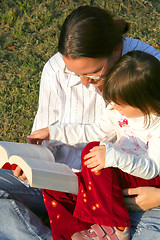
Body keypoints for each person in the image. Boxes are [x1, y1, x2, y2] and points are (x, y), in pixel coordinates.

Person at [0, 5, 160, 240]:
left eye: (93, 74)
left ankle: (110, 227)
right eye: (75, 75)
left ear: (116, 51)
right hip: (71, 180)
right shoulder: (55, 70)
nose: (84, 83)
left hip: (139, 192)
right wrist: (33, 160)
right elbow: (89, 132)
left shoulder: (149, 69)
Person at [29, 50, 160, 240]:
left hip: (143, 176)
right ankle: (73, 233)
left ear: (143, 103)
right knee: (54, 185)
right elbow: (93, 132)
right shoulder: (116, 110)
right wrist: (53, 132)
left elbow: (152, 170)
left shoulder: (156, 125)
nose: (114, 107)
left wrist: (114, 156)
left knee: (93, 153)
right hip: (117, 170)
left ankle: (115, 226)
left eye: (120, 104)